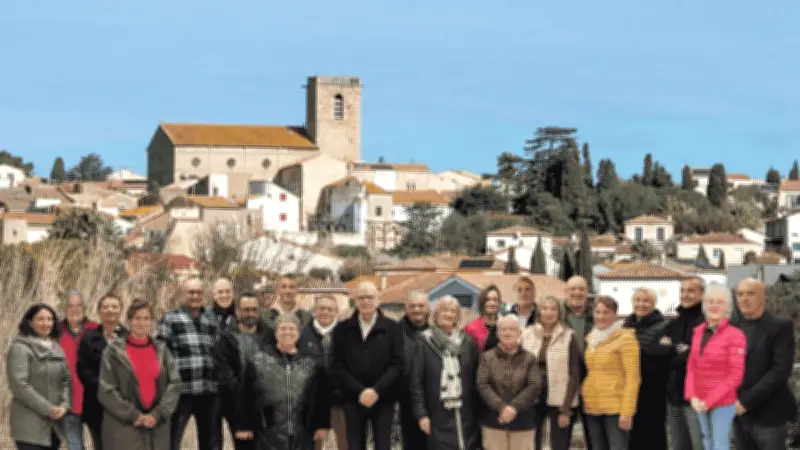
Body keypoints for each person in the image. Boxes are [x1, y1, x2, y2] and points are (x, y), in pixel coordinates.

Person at [97, 298, 182, 450]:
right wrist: (133, 415)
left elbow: (175, 383)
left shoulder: (162, 350)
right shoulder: (112, 352)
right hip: (123, 427)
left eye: (146, 318)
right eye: (137, 318)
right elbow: (106, 390)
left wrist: (158, 414)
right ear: (129, 321)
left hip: (156, 427)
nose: (142, 323)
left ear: (151, 322)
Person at [240, 313, 332, 449]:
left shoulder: (311, 364)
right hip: (268, 433)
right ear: (276, 333)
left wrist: (322, 424)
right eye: (283, 328)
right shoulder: (258, 362)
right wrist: (243, 425)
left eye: (292, 328)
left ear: (299, 333)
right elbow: (245, 394)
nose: (287, 332)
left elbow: (322, 396)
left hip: (303, 433)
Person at [331, 281, 404, 450]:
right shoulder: (342, 329)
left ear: (378, 300)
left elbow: (397, 364)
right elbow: (338, 365)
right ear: (355, 301)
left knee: (383, 446)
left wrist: (376, 390)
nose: (366, 301)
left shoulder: (393, 328)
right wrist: (360, 390)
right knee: (355, 445)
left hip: (383, 398)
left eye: (370, 297)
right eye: (361, 297)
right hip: (353, 398)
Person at [156, 277, 222, 450]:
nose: (195, 296)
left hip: (208, 390)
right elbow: (161, 355)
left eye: (199, 292)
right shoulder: (170, 320)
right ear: (183, 294)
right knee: (173, 440)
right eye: (191, 292)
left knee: (210, 442)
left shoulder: (211, 320)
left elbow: (217, 351)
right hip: (182, 392)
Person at [731, 278, 796, 450]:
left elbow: (780, 371)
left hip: (770, 417)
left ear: (762, 296)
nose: (744, 299)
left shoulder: (780, 327)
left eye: (750, 293)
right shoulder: (733, 328)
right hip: (738, 416)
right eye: (740, 294)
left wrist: (745, 402)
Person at [410, 296, 481, 450]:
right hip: (437, 413)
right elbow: (416, 382)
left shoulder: (467, 342)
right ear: (436, 314)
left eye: (452, 311)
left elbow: (477, 377)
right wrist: (422, 414)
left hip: (465, 412)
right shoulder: (423, 342)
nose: (448, 314)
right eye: (444, 310)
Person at [684, 284, 746, 450]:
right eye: (710, 301)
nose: (714, 305)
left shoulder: (735, 335)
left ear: (727, 307)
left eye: (719, 302)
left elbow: (735, 375)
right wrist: (692, 396)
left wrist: (709, 401)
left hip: (723, 401)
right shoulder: (698, 332)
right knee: (706, 442)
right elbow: (691, 366)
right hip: (699, 400)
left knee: (719, 444)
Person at [6, 303, 71, 450]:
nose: (46, 323)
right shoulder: (20, 347)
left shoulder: (57, 348)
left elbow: (66, 380)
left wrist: (65, 405)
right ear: (30, 322)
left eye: (49, 319)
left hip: (54, 426)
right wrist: (48, 409)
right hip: (29, 425)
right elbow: (19, 385)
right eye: (40, 319)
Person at [522, 295, 582, 450]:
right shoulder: (527, 334)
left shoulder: (569, 336)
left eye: (553, 309)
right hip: (532, 399)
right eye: (545, 308)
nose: (549, 312)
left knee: (560, 445)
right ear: (539, 312)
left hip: (561, 400)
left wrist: (566, 409)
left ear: (559, 312)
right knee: (530, 444)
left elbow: (575, 374)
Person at [582, 296, 640, 450]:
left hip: (616, 407)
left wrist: (627, 411)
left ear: (615, 314)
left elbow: (633, 378)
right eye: (597, 312)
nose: (600, 316)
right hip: (593, 405)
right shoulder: (592, 339)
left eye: (606, 312)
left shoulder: (625, 339)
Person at [476, 314, 541, 450]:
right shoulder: (487, 357)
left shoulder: (529, 358)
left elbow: (534, 385)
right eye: (503, 329)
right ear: (498, 333)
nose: (507, 332)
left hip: (523, 423)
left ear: (520, 332)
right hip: (494, 421)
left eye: (512, 329)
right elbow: (482, 384)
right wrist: (501, 408)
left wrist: (513, 408)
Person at [213, 292, 268, 450]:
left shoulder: (269, 336)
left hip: (265, 404)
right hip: (237, 405)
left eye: (254, 309)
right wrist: (244, 399)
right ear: (238, 311)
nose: (250, 313)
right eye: (246, 309)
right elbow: (225, 374)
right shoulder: (226, 339)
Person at [77, 293, 128, 450]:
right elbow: (83, 369)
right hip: (97, 402)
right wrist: (104, 388)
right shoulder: (89, 338)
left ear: (121, 310)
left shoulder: (130, 337)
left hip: (125, 403)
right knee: (100, 445)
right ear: (99, 311)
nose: (110, 310)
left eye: (114, 306)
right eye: (105, 307)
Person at [623, 288, 671, 450]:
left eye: (646, 301)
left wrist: (638, 351)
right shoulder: (626, 325)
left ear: (654, 304)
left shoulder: (664, 326)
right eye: (638, 300)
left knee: (653, 434)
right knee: (631, 435)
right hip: (630, 389)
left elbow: (665, 353)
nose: (641, 304)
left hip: (653, 391)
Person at [662, 277, 706, 450]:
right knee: (679, 446)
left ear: (702, 294)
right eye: (682, 290)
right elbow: (660, 351)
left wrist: (672, 348)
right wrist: (678, 348)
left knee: (700, 446)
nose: (685, 295)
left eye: (691, 290)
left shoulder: (707, 323)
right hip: (674, 396)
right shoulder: (674, 322)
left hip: (697, 399)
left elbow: (696, 357)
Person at [299, 294, 348, 450]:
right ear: (314, 311)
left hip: (340, 401)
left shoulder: (347, 334)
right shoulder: (302, 334)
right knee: (313, 444)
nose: (325, 312)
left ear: (336, 312)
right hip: (312, 400)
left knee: (345, 442)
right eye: (322, 308)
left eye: (330, 309)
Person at [58, 290, 99, 450]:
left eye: (79, 305)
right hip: (68, 400)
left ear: (85, 307)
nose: (75, 309)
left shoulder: (96, 329)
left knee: (102, 444)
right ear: (65, 309)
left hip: (94, 400)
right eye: (70, 306)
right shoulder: (55, 331)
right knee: (75, 445)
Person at [563, 275, 594, 450]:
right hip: (566, 381)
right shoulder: (557, 314)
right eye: (573, 288)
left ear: (587, 292)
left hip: (592, 380)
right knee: (563, 433)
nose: (577, 292)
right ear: (565, 291)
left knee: (593, 434)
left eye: (581, 289)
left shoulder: (597, 313)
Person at [399, 290, 430, 450]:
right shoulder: (395, 332)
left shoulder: (436, 331)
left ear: (428, 307)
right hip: (405, 399)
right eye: (412, 306)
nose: (417, 309)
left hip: (433, 399)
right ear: (406, 308)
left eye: (421, 305)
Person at [464, 285, 502, 352]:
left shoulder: (505, 325)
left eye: (495, 300)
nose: (492, 303)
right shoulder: (470, 328)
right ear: (482, 302)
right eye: (487, 300)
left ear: (499, 303)